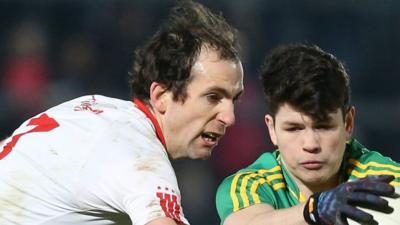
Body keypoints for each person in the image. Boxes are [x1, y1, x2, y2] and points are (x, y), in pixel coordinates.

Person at [0, 1, 244, 225]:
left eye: (234, 99)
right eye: (213, 97)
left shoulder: (92, 109)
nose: (229, 117)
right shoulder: (140, 159)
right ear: (161, 96)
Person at [216, 44, 400, 225]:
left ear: (348, 124)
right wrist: (314, 210)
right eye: (294, 128)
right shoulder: (249, 186)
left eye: (324, 127)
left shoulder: (383, 180)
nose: (311, 144)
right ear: (272, 129)